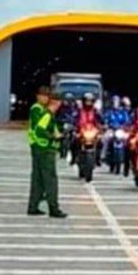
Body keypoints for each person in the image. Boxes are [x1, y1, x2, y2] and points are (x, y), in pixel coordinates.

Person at [27, 88, 67, 218]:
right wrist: (54, 137)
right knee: (50, 180)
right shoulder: (42, 111)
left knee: (38, 179)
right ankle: (53, 208)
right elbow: (39, 130)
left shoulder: (45, 112)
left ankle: (33, 206)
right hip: (44, 148)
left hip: (39, 147)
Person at [73, 92, 103, 165]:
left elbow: (101, 120)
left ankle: (98, 158)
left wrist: (103, 125)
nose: (88, 103)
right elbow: (73, 119)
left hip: (93, 131)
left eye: (90, 101)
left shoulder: (95, 111)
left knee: (100, 142)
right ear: (83, 101)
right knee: (74, 142)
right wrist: (73, 126)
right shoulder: (79, 111)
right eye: (87, 101)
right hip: (81, 130)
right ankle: (74, 157)